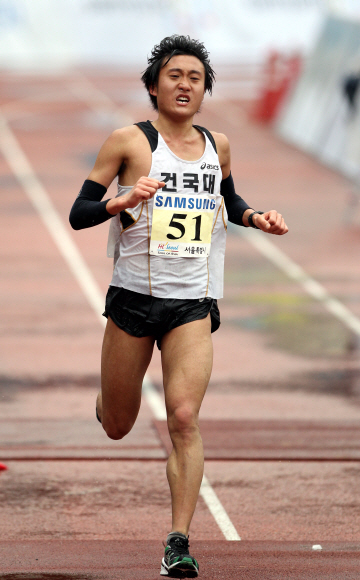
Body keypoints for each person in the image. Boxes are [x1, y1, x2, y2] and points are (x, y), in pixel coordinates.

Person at [69, 34, 288, 578]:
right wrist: (123, 200)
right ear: (153, 86)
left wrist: (255, 215)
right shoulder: (128, 141)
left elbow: (228, 198)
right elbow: (79, 212)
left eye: (195, 77)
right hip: (133, 300)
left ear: (205, 88)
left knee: (184, 416)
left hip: (192, 301)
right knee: (119, 424)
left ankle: (178, 541)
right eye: (174, 75)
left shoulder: (220, 145)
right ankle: (110, 398)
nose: (185, 84)